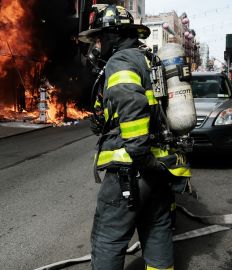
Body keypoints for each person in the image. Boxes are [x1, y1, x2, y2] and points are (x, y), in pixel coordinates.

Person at [78, 4, 191, 270]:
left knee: (107, 239)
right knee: (157, 231)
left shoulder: (121, 61)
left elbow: (132, 105)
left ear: (114, 36)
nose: (97, 45)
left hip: (131, 169)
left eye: (99, 38)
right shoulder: (150, 60)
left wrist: (141, 157)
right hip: (162, 168)